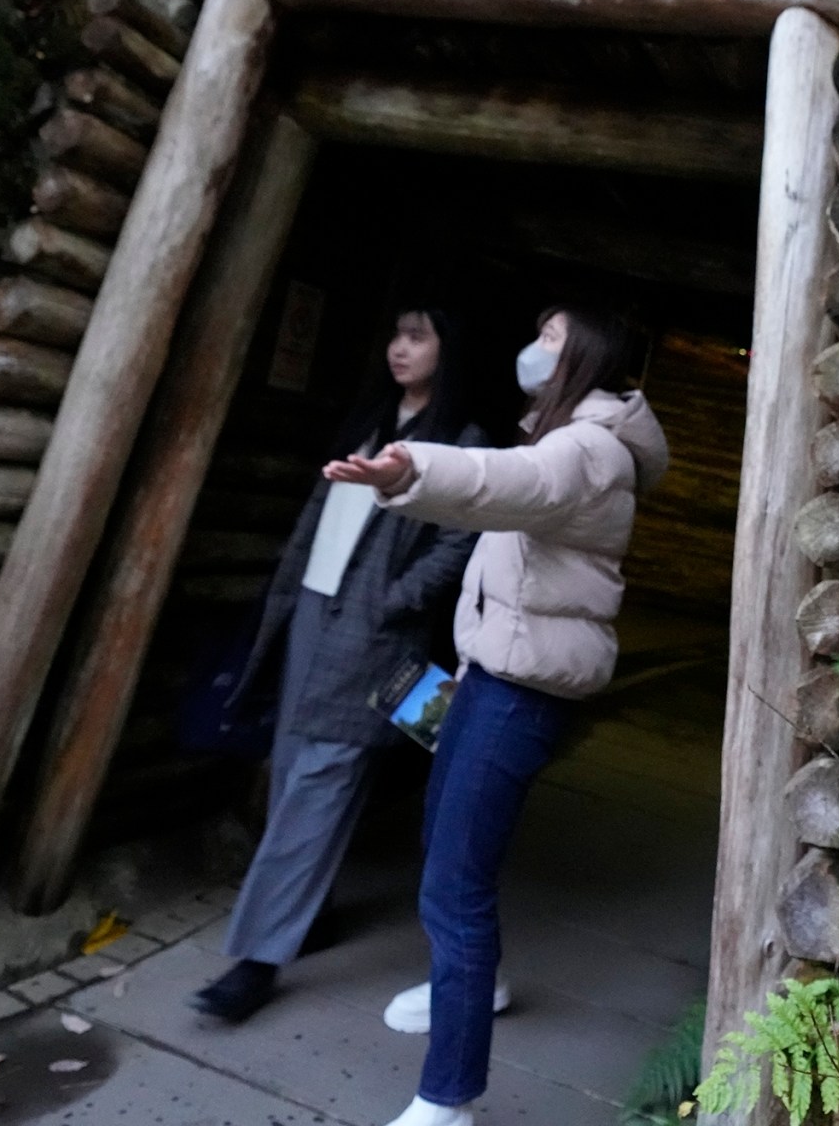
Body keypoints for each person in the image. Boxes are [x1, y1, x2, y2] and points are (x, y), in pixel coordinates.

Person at [326, 306, 669, 1126]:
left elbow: (511, 487)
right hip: (490, 678)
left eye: (550, 338)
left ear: (586, 355)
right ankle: (478, 987)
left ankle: (448, 1097)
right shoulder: (569, 436)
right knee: (449, 852)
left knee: (454, 883)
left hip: (519, 695)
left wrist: (409, 471)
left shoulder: (585, 451)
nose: (533, 348)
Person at [191, 307, 487, 1025]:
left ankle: (257, 962)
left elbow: (460, 540)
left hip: (375, 638)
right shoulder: (371, 420)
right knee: (294, 773)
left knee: (320, 784)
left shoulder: (462, 442)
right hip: (311, 622)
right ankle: (309, 913)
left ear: (451, 350)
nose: (400, 347)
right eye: (396, 332)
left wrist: (395, 601)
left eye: (419, 334)